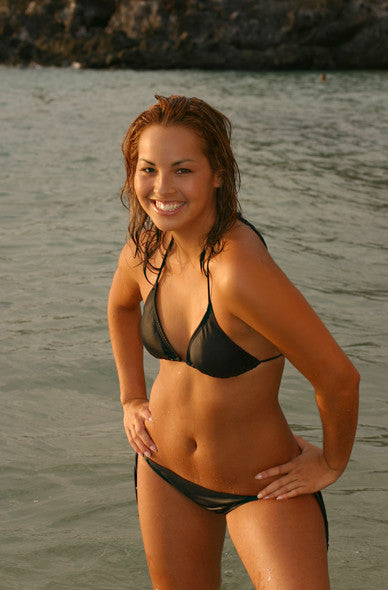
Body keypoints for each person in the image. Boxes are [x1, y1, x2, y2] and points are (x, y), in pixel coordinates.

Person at [107, 94, 359, 589]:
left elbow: (338, 378)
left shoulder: (237, 270)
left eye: (183, 170)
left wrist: (331, 461)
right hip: (164, 470)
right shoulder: (147, 250)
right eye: (148, 169)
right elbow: (118, 308)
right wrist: (131, 396)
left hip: (259, 487)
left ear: (218, 173)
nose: (161, 188)